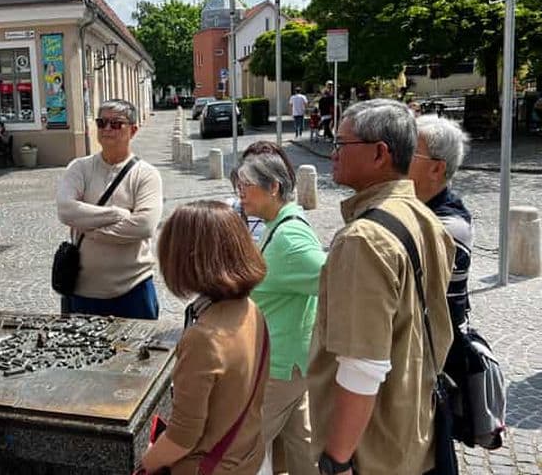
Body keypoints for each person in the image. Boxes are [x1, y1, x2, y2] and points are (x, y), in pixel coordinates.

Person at [308, 99, 455, 475]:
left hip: (370, 453)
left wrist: (335, 461)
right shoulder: (424, 217)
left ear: (379, 153)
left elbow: (363, 365)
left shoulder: (363, 239)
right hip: (411, 433)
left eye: (342, 143)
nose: (333, 151)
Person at [139, 201, 268, 475]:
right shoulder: (251, 309)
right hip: (245, 455)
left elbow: (182, 438)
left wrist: (144, 464)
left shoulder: (204, 338)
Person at [231, 143, 325, 475]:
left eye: (247, 186)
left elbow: (334, 281)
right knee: (301, 445)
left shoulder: (289, 238)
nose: (241, 194)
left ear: (273, 187)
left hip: (280, 366)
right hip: (288, 360)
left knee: (241, 451)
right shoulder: (279, 223)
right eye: (239, 186)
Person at [56, 99, 163, 320]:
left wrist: (87, 227)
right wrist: (116, 214)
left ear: (133, 130)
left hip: (134, 290)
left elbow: (143, 226)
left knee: (136, 354)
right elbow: (66, 210)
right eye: (102, 122)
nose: (106, 129)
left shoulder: (146, 174)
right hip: (82, 291)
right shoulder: (79, 168)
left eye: (116, 124)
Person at [409, 115, 473, 332]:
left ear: (436, 169)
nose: (396, 158)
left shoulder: (449, 227)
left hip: (440, 356)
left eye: (409, 152)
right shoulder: (415, 206)